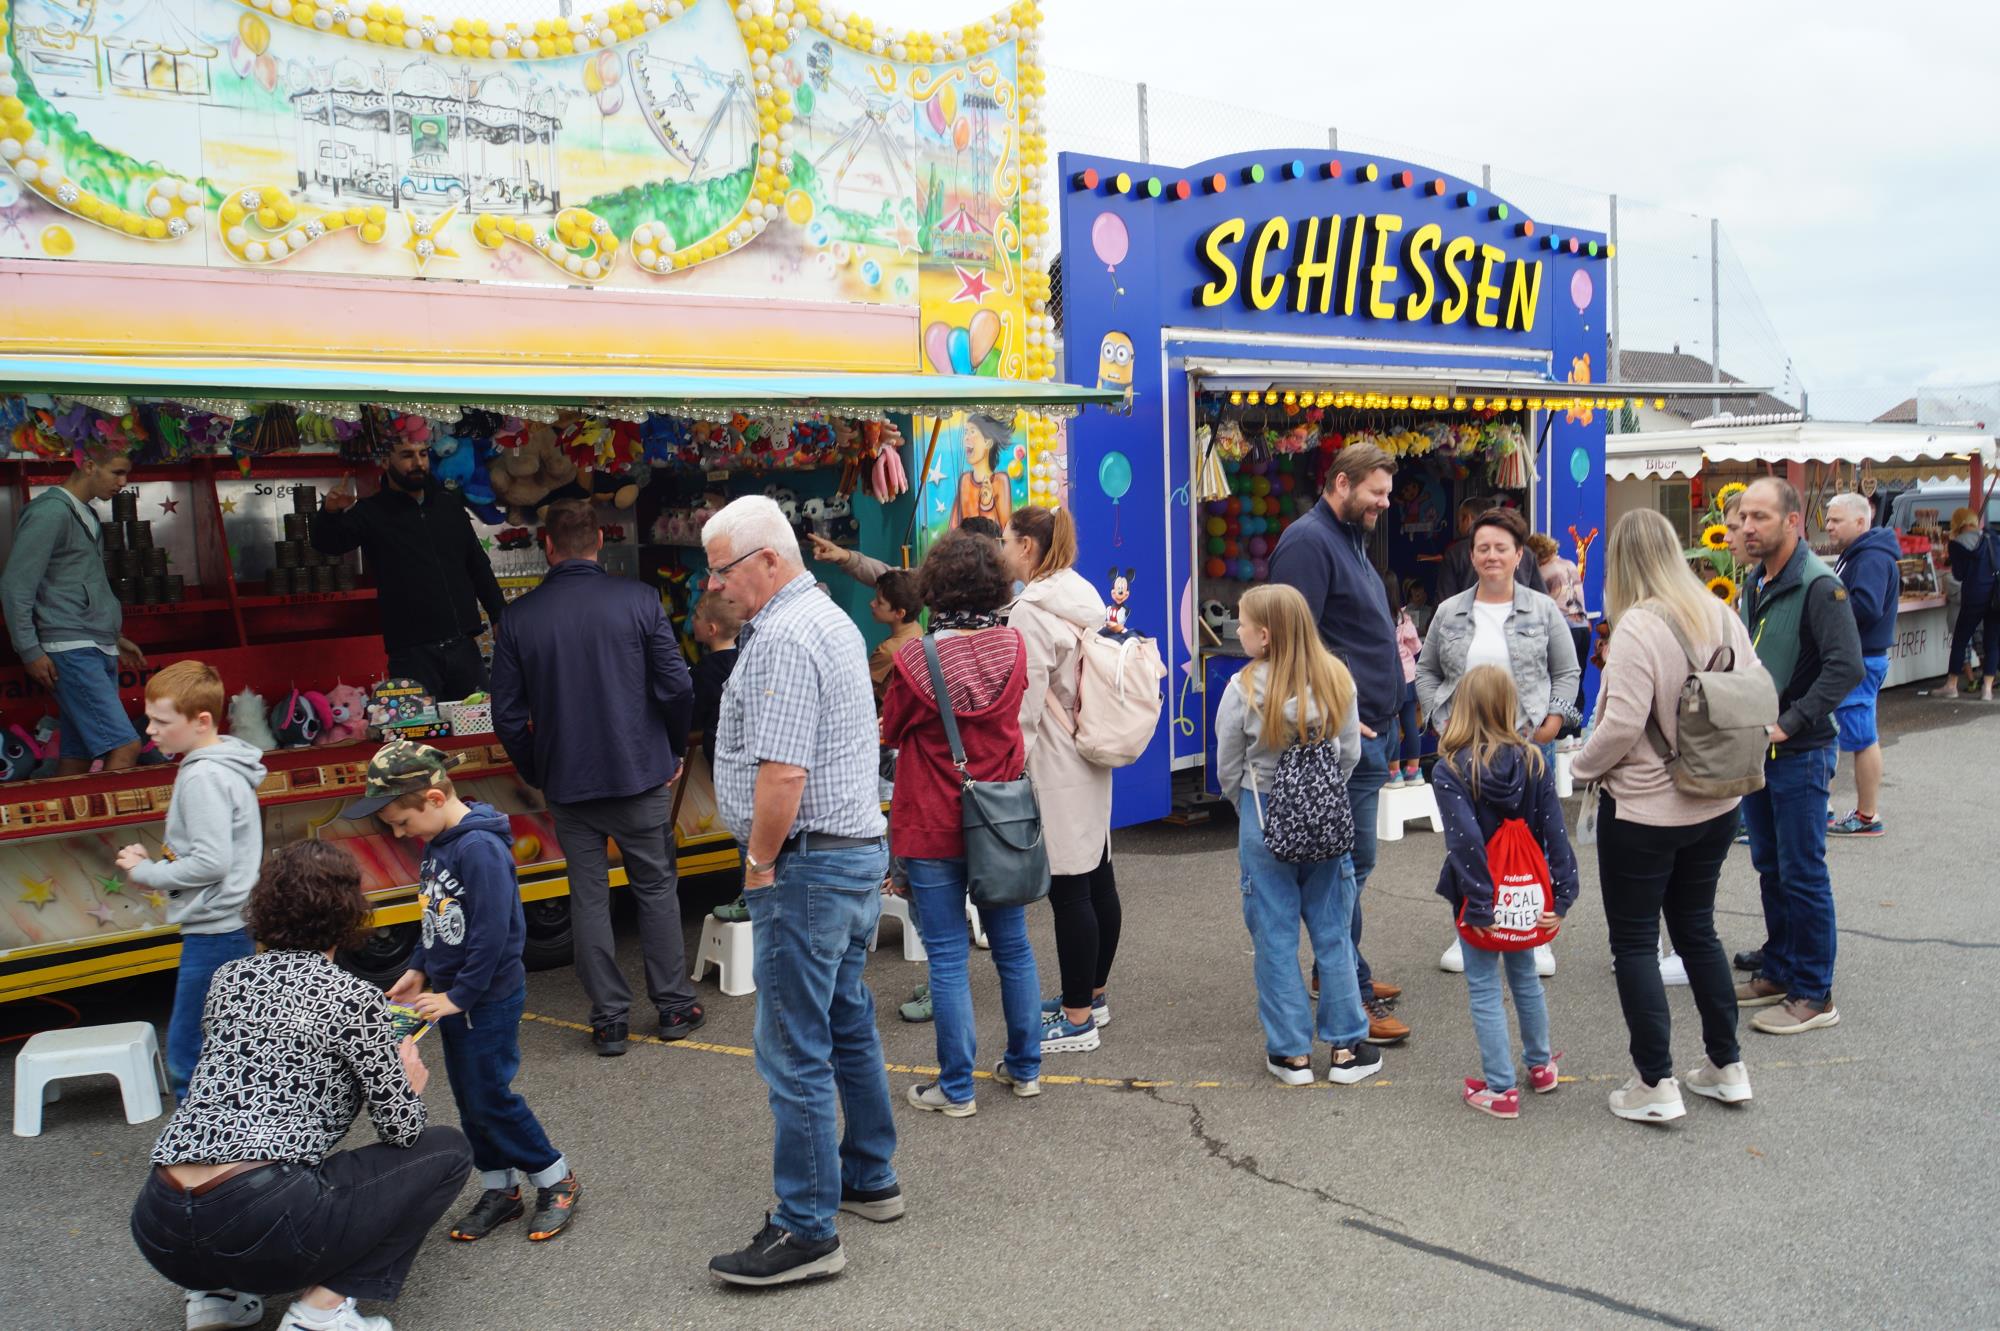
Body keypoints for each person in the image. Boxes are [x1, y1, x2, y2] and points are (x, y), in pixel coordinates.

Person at [131, 840, 471, 1331]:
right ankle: (322, 1311)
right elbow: (401, 1131)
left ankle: (217, 1298)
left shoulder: (228, 979)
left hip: (159, 1224)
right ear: (350, 913)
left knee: (255, 1166)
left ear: (264, 906)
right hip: (259, 1217)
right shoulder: (354, 998)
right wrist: (408, 1084)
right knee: (447, 1151)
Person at [701, 496, 898, 1287]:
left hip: (808, 863)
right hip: (848, 852)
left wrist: (757, 863)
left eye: (721, 569)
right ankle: (868, 1175)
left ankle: (807, 1226)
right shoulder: (828, 617)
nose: (714, 585)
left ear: (768, 561)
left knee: (793, 1046)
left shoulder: (781, 633)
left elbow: (783, 772)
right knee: (845, 1019)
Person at [1573, 511, 1764, 1123]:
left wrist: (1578, 767)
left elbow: (1623, 723)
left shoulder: (1636, 626)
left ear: (1622, 561)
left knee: (1634, 943)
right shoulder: (1719, 612)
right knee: (1697, 930)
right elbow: (1759, 691)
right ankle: (1726, 1065)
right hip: (1717, 798)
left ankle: (1654, 1082)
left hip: (1646, 809)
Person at [489, 499, 698, 1056]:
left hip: (568, 781)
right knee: (655, 889)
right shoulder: (639, 600)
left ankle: (609, 1020)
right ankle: (674, 1006)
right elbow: (676, 687)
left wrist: (538, 767)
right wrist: (672, 747)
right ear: (599, 543)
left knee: (588, 897)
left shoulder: (519, 618)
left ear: (549, 548)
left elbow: (507, 715)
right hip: (640, 772)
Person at [351, 741, 580, 1243]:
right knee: (470, 1097)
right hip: (455, 995)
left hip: (485, 998)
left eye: (401, 821)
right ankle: (500, 1189)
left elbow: (493, 933)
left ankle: (554, 1176)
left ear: (434, 798)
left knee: (491, 1096)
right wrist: (419, 968)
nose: (397, 832)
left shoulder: (478, 848)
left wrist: (460, 996)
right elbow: (437, 916)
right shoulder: (439, 842)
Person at [879, 529, 1043, 1114]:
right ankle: (1025, 1068)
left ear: (935, 587)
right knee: (1013, 946)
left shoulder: (915, 658)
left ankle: (956, 1088)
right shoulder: (1015, 647)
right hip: (1000, 816)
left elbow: (892, 730)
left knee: (947, 956)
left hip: (931, 819)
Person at [1268, 441, 1409, 1043]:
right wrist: (1337, 716)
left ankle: (1342, 971)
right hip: (1343, 738)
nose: (1385, 503)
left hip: (1373, 729)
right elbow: (1291, 644)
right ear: (1342, 483)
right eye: (1376, 492)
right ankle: (1345, 982)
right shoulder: (1307, 542)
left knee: (1357, 865)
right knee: (1342, 871)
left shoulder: (1349, 536)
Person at [1215, 584, 1380, 1086]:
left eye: (1241, 624)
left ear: (1263, 636)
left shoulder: (1243, 688)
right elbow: (1349, 753)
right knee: (1333, 933)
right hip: (1327, 821)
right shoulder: (1337, 679)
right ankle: (1348, 1047)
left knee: (1274, 937)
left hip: (1265, 818)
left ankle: (1291, 1054)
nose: (1237, 631)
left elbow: (1228, 763)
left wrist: (1243, 800)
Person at [1416, 507, 1579, 976]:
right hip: (1464, 745)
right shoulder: (1450, 612)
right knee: (1469, 838)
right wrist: (1440, 720)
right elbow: (1426, 671)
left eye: (1500, 548)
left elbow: (1566, 671)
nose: (1491, 556)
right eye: (1482, 548)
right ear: (1472, 556)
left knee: (1532, 836)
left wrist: (1553, 722)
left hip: (1527, 742)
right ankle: (1471, 922)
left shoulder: (1541, 608)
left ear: (1517, 555)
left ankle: (1533, 928)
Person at [1734, 477, 1863, 1036]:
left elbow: (1846, 667)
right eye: (1742, 518)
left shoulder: (1818, 585)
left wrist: (1789, 723)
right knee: (1770, 865)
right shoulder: (1755, 580)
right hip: (1759, 752)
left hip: (1800, 752)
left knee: (1804, 872)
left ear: (1792, 522)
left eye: (1759, 517)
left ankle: (1815, 992)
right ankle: (1781, 969)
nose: (1746, 527)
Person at [1430, 666, 1576, 1120]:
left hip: (1484, 895)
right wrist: (1563, 894)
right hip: (1527, 892)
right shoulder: (1533, 760)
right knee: (1525, 977)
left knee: (1483, 987)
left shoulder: (1451, 768)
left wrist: (1479, 903)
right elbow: (1555, 832)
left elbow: (1465, 840)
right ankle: (1540, 1065)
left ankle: (1499, 1088)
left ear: (1463, 707)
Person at [116, 661, 266, 1099]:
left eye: (162, 721)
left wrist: (146, 873)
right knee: (225, 1046)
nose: (150, 731)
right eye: (150, 719)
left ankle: (200, 1152)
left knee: (190, 1052)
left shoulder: (203, 775)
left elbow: (210, 863)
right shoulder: (221, 766)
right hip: (228, 923)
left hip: (214, 929)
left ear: (202, 721)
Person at [1003, 506, 1118, 1051]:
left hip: (1053, 754)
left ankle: (1076, 1021)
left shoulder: (1030, 609)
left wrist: (1010, 764)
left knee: (1070, 888)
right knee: (1098, 876)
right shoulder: (1083, 593)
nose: (1002, 549)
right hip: (1091, 743)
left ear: (1027, 547)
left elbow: (1024, 701)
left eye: (1007, 539)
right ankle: (1092, 995)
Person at [311, 435, 508, 700]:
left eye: (423, 454)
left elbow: (477, 565)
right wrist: (330, 513)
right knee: (419, 735)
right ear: (384, 461)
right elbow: (328, 544)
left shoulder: (448, 506)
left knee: (476, 730)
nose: (418, 463)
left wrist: (499, 615)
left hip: (464, 648)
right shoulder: (371, 512)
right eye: (407, 455)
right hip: (412, 655)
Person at [0, 444, 148, 774]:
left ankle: (77, 826)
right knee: (127, 745)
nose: (123, 482)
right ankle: (110, 827)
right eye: (117, 472)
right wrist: (29, 650)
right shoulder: (50, 512)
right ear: (89, 466)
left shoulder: (86, 513)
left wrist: (115, 635)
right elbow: (15, 585)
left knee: (78, 753)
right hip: (71, 648)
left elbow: (78, 582)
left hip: (94, 644)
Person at [1824, 492, 1900, 837]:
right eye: (1827, 520)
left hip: (1861, 657)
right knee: (1852, 732)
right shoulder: (1860, 553)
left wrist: (1826, 612)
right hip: (1862, 656)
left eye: (1835, 520)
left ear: (1860, 521)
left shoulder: (1869, 557)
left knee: (1862, 737)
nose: (1828, 527)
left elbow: (1865, 608)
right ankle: (1839, 810)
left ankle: (1868, 815)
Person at [1528, 530, 1591, 733]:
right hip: (1582, 626)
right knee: (1577, 681)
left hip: (1563, 629)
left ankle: (1561, 731)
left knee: (1559, 681)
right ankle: (1575, 730)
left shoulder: (1544, 571)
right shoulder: (1570, 565)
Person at [1936, 505, 2000, 701]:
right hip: (1997, 595)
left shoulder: (1956, 544)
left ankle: (1952, 685)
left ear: (1957, 523)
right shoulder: (1993, 537)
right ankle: (1987, 690)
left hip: (1974, 596)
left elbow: (1959, 574)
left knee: (1961, 639)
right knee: (1992, 641)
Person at [1435, 496, 1547, 603]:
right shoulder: (1525, 552)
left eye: (1501, 549)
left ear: (1468, 519)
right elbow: (1542, 601)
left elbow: (1444, 602)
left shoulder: (1456, 553)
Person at [1384, 571, 1424, 788]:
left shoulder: (1378, 616)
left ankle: (1394, 772)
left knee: (1392, 724)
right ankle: (1414, 770)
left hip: (1389, 679)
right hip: (1409, 676)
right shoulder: (1404, 617)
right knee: (1410, 724)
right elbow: (1416, 647)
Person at [866, 569, 926, 706]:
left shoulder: (888, 651)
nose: (872, 603)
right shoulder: (917, 630)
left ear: (900, 613)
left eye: (880, 602)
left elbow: (862, 689)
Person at [950, 417, 1013, 532]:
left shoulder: (1000, 480)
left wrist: (987, 505)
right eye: (966, 432)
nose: (966, 438)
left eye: (972, 431)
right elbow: (953, 528)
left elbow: (1004, 533)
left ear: (988, 442)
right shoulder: (964, 480)